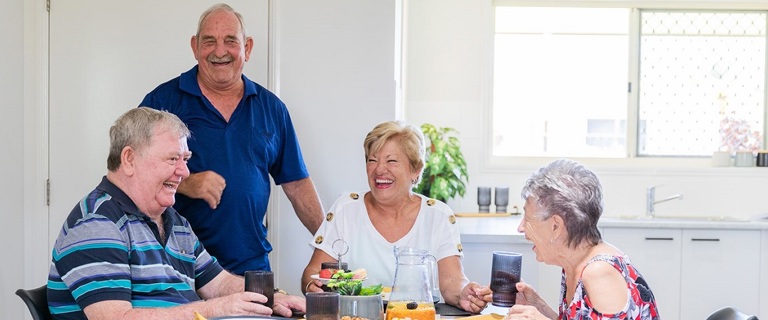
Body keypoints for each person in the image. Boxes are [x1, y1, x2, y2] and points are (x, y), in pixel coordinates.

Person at [47, 107, 305, 320]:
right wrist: (217, 308)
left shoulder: (174, 220)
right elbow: (116, 318)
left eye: (186, 159)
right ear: (129, 159)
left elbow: (218, 284)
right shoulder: (97, 223)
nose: (184, 172)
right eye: (173, 159)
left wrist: (272, 298)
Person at [139, 3, 324, 274]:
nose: (220, 51)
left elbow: (296, 184)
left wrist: (330, 242)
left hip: (251, 269)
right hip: (177, 269)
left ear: (247, 48)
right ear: (195, 46)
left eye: (230, 41)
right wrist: (186, 182)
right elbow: (132, 175)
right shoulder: (161, 102)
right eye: (209, 41)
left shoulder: (271, 108)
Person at [301, 121, 490, 313]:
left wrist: (463, 295)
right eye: (372, 160)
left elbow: (452, 281)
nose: (379, 169)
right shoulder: (346, 208)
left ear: (415, 170)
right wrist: (313, 287)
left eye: (391, 161)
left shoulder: (438, 215)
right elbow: (313, 273)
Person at [504, 159, 660, 320]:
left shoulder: (599, 274)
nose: (521, 227)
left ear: (555, 226)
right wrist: (536, 305)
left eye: (528, 218)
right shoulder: (576, 264)